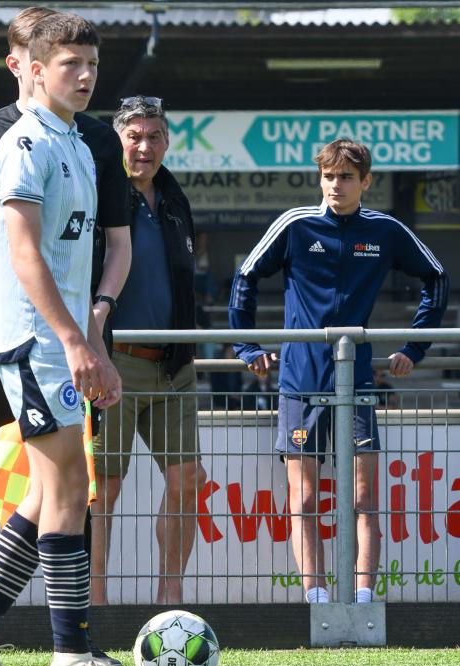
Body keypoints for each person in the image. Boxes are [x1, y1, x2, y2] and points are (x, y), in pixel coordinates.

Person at [0, 12, 146, 666]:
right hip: (32, 343)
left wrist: (87, 336)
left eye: (91, 66)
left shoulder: (81, 146)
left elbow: (98, 248)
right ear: (34, 66)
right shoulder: (23, 144)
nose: (83, 76)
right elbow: (21, 256)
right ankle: (71, 656)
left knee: (46, 494)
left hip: (54, 345)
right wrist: (79, 340)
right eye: (69, 65)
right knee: (70, 490)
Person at [229, 139, 449, 604]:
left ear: (366, 182)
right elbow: (245, 276)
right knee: (304, 502)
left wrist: (416, 347)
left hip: (359, 381)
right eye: (329, 176)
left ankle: (365, 598)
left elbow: (437, 277)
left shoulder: (385, 230)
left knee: (363, 497)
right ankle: (316, 599)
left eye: (346, 177)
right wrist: (246, 346)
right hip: (300, 382)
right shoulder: (295, 224)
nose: (335, 185)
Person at [90, 96, 206, 605]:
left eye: (154, 136)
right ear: (118, 141)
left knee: (188, 480)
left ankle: (169, 602)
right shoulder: (98, 195)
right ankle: (94, 604)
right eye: (134, 136)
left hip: (174, 367)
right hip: (113, 364)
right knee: (105, 492)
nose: (144, 146)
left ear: (167, 142)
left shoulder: (176, 199)